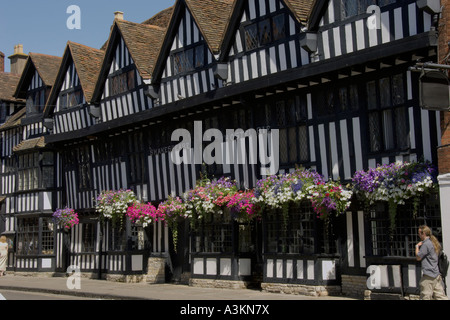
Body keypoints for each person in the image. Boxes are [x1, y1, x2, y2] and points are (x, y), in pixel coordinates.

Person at [415, 225, 448, 300]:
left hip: (428, 276)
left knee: (425, 296)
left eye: (419, 233)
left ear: (423, 233)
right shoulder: (433, 242)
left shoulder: (426, 244)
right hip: (436, 274)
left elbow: (418, 257)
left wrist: (417, 247)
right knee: (440, 296)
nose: (418, 235)